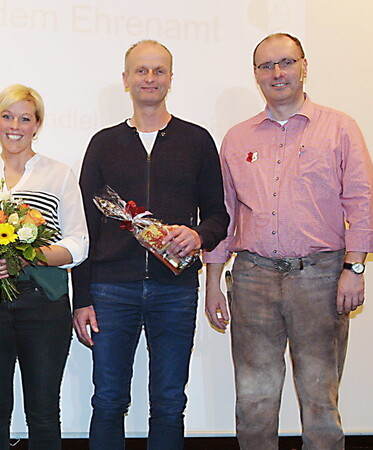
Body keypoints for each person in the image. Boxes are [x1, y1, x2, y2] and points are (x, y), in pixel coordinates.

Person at [203, 33, 373, 449]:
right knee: (253, 400)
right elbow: (225, 214)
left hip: (320, 278)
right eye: (266, 66)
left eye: (286, 62)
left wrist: (354, 269)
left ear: (304, 66)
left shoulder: (340, 128)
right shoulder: (236, 138)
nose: (277, 73)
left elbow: (362, 199)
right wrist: (213, 282)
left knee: (320, 399)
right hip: (252, 279)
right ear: (255, 75)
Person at [71, 40, 229, 449]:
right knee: (107, 400)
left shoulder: (196, 140)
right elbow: (84, 226)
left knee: (169, 402)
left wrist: (198, 235)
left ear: (171, 79)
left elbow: (219, 215)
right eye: (141, 71)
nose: (150, 78)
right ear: (126, 80)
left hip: (174, 289)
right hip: (110, 290)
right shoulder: (103, 143)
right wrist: (81, 298)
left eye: (159, 71)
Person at [0, 84, 89, 449]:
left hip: (44, 304)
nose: (15, 125)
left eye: (25, 118)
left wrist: (30, 254)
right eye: (7, 116)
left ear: (37, 124)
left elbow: (78, 243)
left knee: (43, 412)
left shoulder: (59, 174)